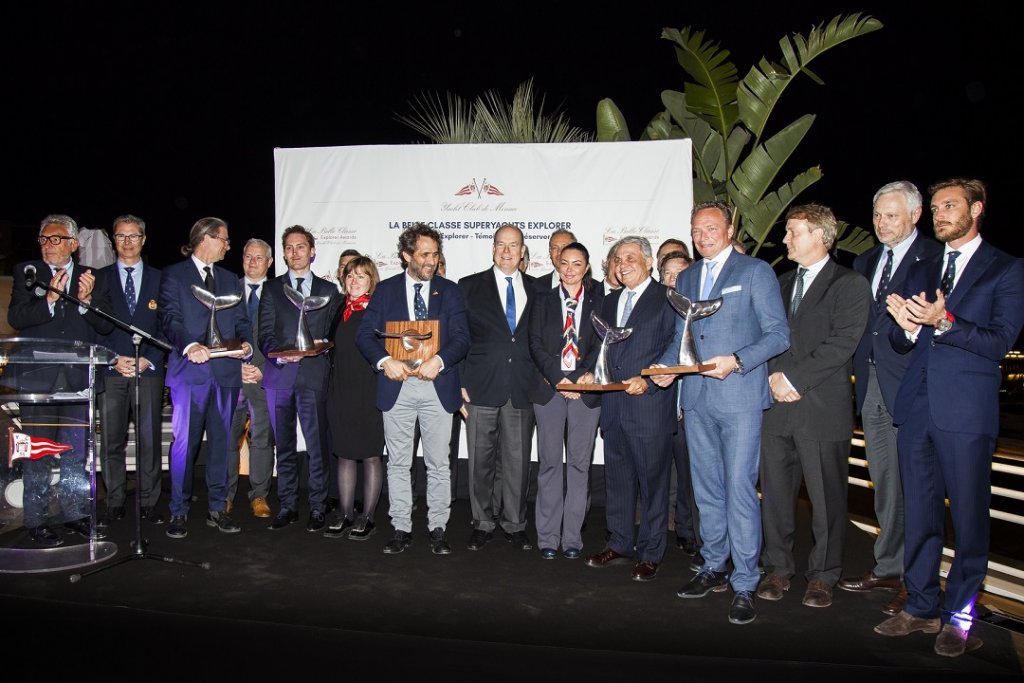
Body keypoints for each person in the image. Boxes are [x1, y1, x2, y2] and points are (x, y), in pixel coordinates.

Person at [876, 179, 1024, 657]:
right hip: (916, 408)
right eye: (936, 207)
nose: (939, 213)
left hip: (965, 412)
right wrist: (903, 329)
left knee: (968, 519)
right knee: (919, 514)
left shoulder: (1005, 268)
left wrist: (943, 322)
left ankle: (959, 618)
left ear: (976, 209)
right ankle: (919, 607)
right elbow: (904, 341)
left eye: (949, 206)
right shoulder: (925, 266)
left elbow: (1000, 341)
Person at [654, 201, 789, 625]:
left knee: (739, 490)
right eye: (696, 230)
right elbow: (681, 336)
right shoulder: (689, 277)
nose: (702, 236)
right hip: (696, 399)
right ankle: (714, 566)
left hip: (740, 398)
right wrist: (664, 368)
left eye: (711, 228)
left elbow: (778, 334)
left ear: (729, 230)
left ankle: (745, 581)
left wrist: (739, 359)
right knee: (706, 490)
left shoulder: (755, 272)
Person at [757, 204, 870, 609]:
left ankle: (823, 575)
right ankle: (777, 568)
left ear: (821, 236)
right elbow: (764, 335)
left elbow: (842, 344)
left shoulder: (850, 284)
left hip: (821, 409)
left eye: (794, 232)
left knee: (826, 499)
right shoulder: (778, 282)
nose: (785, 238)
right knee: (775, 497)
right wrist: (772, 377)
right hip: (775, 407)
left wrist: (793, 379)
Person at [840, 181, 942, 614]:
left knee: (919, 487)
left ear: (916, 216)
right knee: (885, 481)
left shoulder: (936, 259)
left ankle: (919, 582)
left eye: (892, 215)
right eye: (878, 215)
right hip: (872, 384)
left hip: (917, 387)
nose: (882, 223)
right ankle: (889, 566)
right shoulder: (864, 260)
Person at [355, 224, 470, 555]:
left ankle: (437, 528)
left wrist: (441, 360)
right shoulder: (387, 290)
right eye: (424, 255)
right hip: (398, 387)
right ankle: (401, 527)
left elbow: (462, 338)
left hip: (438, 386)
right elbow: (365, 335)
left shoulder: (450, 291)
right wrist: (383, 362)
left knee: (438, 463)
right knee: (398, 463)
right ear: (407, 255)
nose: (431, 261)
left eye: (435, 254)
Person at [7, 214, 114, 546]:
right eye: (43, 239)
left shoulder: (92, 277)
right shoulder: (28, 273)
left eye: (55, 239)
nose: (48, 246)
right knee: (37, 453)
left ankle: (76, 513)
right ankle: (36, 520)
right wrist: (50, 299)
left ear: (73, 244)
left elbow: (106, 327)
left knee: (74, 451)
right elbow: (16, 317)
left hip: (77, 379)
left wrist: (85, 305)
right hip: (38, 380)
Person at [584, 236, 676, 582]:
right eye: (617, 259)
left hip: (649, 406)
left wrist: (650, 380)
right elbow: (600, 350)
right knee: (618, 480)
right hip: (614, 408)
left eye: (630, 258)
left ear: (650, 263)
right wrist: (588, 372)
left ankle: (651, 552)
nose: (622, 264)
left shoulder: (667, 299)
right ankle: (619, 542)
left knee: (653, 484)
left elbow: (675, 348)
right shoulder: (607, 302)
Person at [158, 217, 253, 539]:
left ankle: (218, 507)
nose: (228, 246)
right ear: (206, 238)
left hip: (226, 374)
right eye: (224, 239)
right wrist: (189, 345)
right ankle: (178, 511)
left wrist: (246, 344)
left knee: (222, 444)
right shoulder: (174, 275)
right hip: (190, 374)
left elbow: (240, 321)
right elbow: (169, 318)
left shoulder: (230, 279)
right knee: (185, 444)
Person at [459, 225, 538, 551]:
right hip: (479, 388)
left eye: (513, 245)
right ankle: (482, 521)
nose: (507, 251)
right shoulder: (469, 286)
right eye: (501, 245)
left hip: (521, 387)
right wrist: (457, 385)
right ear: (493, 249)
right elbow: (458, 338)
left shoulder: (539, 289)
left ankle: (515, 523)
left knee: (517, 463)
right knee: (479, 462)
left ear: (522, 252)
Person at [259, 226, 340, 532]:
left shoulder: (329, 291)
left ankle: (318, 507)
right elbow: (264, 334)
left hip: (313, 376)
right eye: (289, 248)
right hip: (280, 376)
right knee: (285, 446)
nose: (295, 252)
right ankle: (288, 505)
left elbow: (333, 337)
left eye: (301, 247)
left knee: (318, 446)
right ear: (283, 253)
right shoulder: (272, 289)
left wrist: (320, 348)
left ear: (312, 251)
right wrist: (278, 355)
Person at [528, 242, 602, 559]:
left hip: (586, 392)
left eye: (577, 264)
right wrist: (560, 379)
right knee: (548, 464)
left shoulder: (601, 301)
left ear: (586, 268)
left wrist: (581, 378)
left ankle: (572, 537)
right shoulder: (541, 300)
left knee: (579, 465)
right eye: (565, 263)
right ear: (557, 266)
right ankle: (547, 536)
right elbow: (534, 344)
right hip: (549, 390)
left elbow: (602, 344)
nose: (570, 269)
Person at [96, 214, 168, 528]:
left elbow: (168, 326)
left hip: (147, 371)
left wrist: (147, 359)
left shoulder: (160, 279)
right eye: (121, 236)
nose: (127, 241)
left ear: (143, 239)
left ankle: (149, 502)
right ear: (114, 240)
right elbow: (93, 328)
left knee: (149, 440)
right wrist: (112, 359)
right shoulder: (98, 278)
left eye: (133, 235)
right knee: (111, 441)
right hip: (112, 372)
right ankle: (113, 501)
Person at [325, 255, 385, 540]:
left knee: (371, 455)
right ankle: (345, 513)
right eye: (350, 275)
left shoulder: (378, 310)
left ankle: (368, 517)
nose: (354, 281)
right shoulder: (339, 308)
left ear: (371, 280)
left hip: (369, 391)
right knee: (345, 454)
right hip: (341, 390)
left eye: (361, 276)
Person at [227, 238, 275, 519]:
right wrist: (236, 367)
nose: (253, 262)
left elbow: (285, 338)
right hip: (232, 376)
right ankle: (225, 496)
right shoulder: (227, 289)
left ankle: (259, 495)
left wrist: (264, 369)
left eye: (259, 258)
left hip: (263, 376)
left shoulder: (279, 292)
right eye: (248, 257)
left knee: (262, 439)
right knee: (228, 439)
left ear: (269, 262)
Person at [658, 250, 699, 558]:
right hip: (658, 409)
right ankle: (655, 529)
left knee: (687, 476)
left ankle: (686, 530)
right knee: (656, 474)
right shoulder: (654, 310)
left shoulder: (698, 313)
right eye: (668, 274)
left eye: (680, 274)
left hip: (689, 409)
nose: (674, 280)